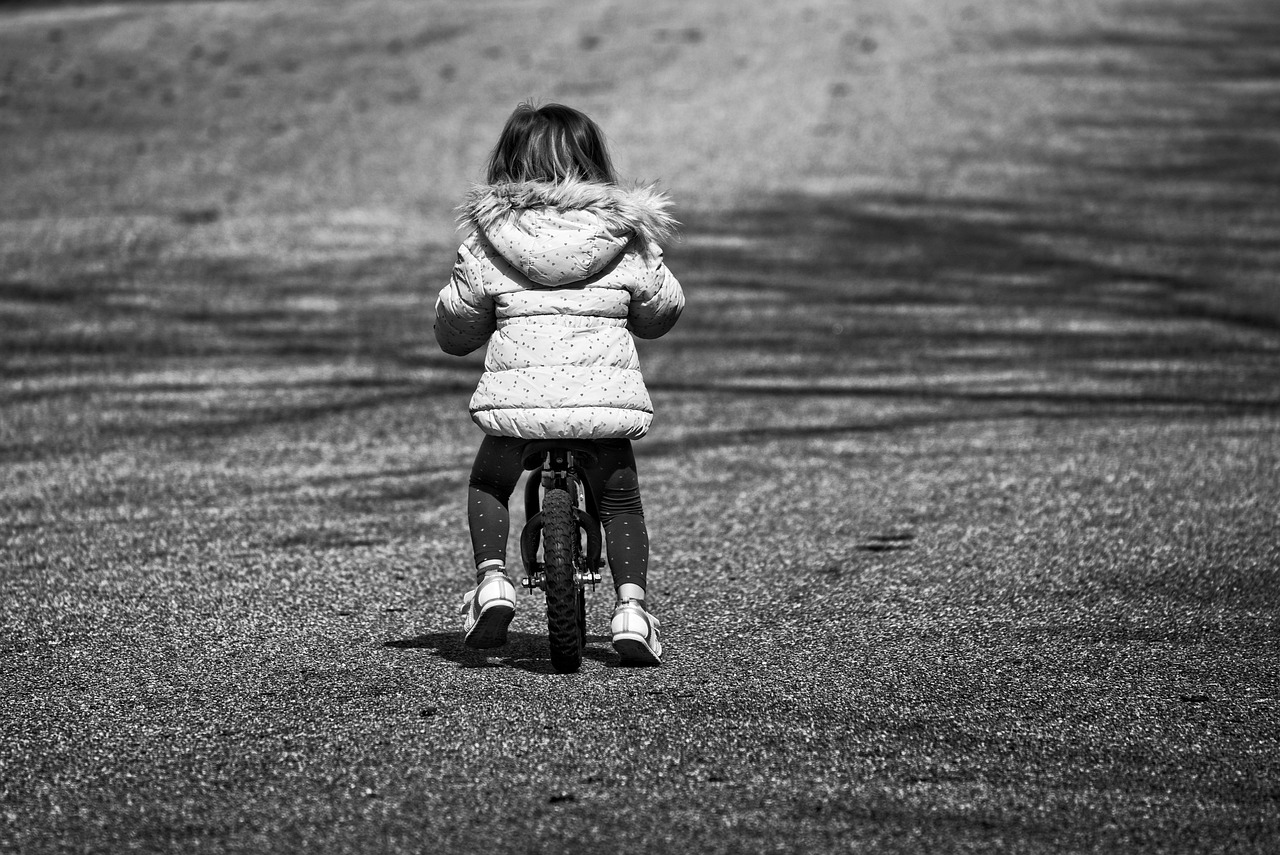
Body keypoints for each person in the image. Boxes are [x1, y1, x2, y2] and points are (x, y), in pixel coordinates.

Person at [434, 102, 684, 665]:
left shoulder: (489, 241)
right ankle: (631, 610)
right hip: (599, 409)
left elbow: (457, 329)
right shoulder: (624, 237)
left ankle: (492, 582)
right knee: (620, 502)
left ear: (506, 164)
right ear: (595, 164)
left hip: (520, 410)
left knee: (490, 483)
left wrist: (461, 321)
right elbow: (661, 313)